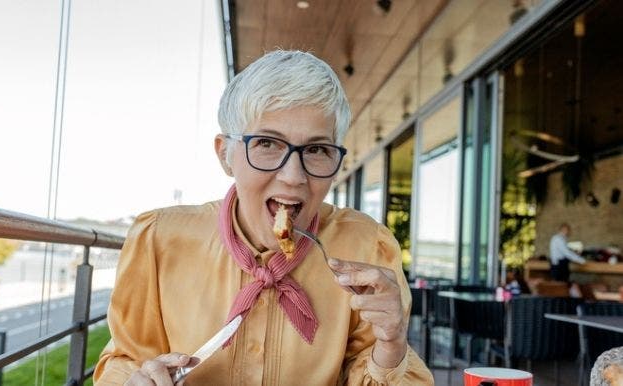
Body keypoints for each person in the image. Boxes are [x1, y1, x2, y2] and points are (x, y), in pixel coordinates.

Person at [93, 50, 433, 385]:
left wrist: (391, 345)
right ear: (225, 154)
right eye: (268, 143)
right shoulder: (159, 239)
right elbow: (125, 360)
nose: (293, 176)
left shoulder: (367, 247)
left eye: (316, 150)